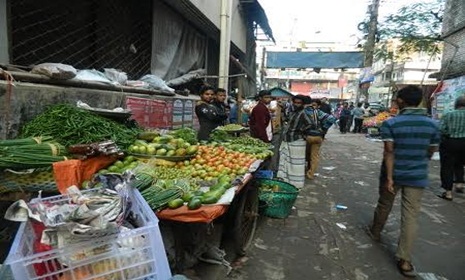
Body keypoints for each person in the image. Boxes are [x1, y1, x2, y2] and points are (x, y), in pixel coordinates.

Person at [367, 85, 440, 278]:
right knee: (410, 216)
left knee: (385, 203)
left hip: (394, 173)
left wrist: (390, 178)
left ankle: (375, 231)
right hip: (417, 175)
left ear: (400, 101)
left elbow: (389, 152)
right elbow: (431, 151)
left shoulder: (392, 124)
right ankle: (405, 260)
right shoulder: (432, 125)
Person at [277, 95, 314, 188]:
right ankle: (287, 180)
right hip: (288, 139)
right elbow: (287, 120)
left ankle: (296, 183)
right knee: (288, 161)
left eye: (299, 103)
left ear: (302, 104)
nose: (296, 104)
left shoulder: (303, 112)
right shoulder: (293, 112)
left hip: (297, 140)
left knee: (295, 163)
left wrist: (300, 131)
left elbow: (310, 123)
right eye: (295, 102)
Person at [438, 95, 465, 200]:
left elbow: (441, 129)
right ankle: (459, 184)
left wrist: (448, 134)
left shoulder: (448, 114)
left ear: (456, 105)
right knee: (460, 163)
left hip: (450, 142)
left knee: (447, 166)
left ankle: (448, 192)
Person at [304, 99, 336, 180]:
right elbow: (332, 119)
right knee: (314, 156)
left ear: (318, 106)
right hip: (318, 137)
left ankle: (305, 170)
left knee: (306, 154)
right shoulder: (320, 113)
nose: (312, 106)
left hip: (308, 136)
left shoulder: (305, 112)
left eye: (314, 105)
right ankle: (311, 174)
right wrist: (324, 129)